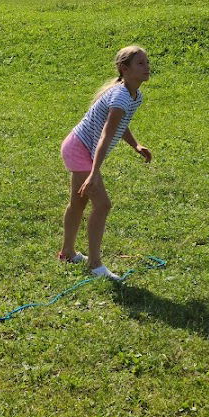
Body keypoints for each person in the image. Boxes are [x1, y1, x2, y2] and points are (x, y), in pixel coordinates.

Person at [59, 45, 153, 281]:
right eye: (140, 63)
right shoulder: (120, 96)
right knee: (102, 205)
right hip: (80, 149)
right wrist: (93, 173)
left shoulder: (134, 95)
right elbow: (105, 135)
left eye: (147, 62)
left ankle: (68, 252)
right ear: (124, 68)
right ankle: (94, 264)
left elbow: (120, 125)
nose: (147, 67)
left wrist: (136, 145)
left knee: (78, 203)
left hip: (79, 147)